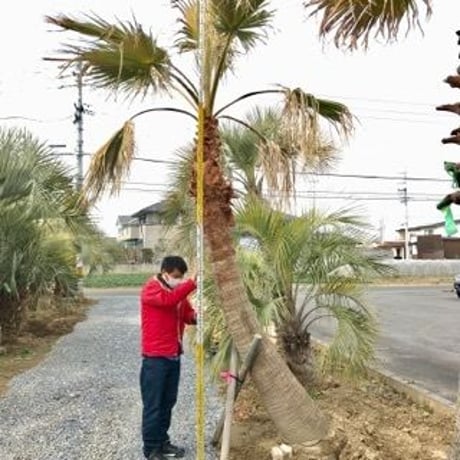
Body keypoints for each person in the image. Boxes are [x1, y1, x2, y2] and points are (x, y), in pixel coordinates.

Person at [140, 256, 197, 460]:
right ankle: (151, 449)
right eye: (176, 276)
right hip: (155, 358)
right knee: (154, 405)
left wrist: (197, 317)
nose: (179, 280)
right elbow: (167, 301)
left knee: (167, 402)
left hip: (173, 355)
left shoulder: (177, 292)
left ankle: (162, 442)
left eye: (181, 277)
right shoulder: (151, 288)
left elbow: (186, 314)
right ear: (165, 273)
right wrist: (191, 284)